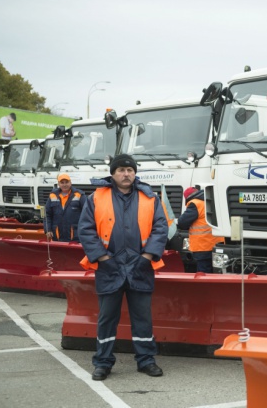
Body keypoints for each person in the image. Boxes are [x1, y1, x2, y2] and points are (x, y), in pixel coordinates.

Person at [78, 153, 168, 381]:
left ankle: (146, 360)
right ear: (113, 173)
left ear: (135, 173)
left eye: (130, 170)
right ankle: (103, 362)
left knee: (142, 318)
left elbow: (161, 227)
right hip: (110, 267)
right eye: (121, 170)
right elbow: (86, 230)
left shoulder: (150, 198)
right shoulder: (96, 198)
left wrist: (147, 257)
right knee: (107, 318)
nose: (126, 174)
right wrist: (103, 259)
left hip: (140, 266)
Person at [176, 187, 224, 273]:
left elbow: (182, 222)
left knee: (203, 273)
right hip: (217, 243)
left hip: (203, 245)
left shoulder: (194, 204)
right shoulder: (211, 200)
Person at [44, 174, 85, 242]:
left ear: (70, 183)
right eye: (62, 183)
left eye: (66, 182)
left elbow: (87, 214)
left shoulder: (79, 195)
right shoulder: (52, 196)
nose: (64, 185)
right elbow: (47, 214)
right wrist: (48, 229)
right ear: (58, 184)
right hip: (57, 236)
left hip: (75, 237)